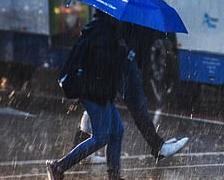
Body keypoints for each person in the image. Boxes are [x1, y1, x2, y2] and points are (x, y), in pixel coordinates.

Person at [46, 10, 137, 180]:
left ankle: (113, 179)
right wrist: (123, 53)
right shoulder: (104, 33)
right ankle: (59, 167)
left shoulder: (104, 29)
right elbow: (102, 65)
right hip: (94, 92)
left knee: (117, 131)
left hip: (101, 91)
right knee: (101, 137)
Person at [72, 22, 189, 161]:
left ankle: (82, 152)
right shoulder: (124, 16)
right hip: (124, 60)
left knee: (101, 99)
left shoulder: (116, 14)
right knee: (134, 104)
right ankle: (157, 146)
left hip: (121, 57)